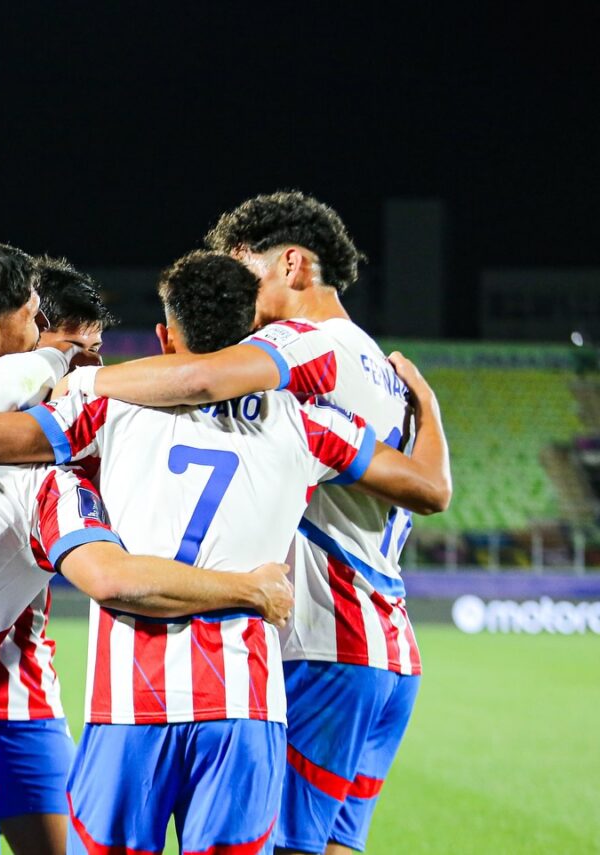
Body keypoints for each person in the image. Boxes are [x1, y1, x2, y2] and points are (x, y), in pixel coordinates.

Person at [0, 249, 449, 855]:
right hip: (242, 703)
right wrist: (427, 407)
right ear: (253, 332)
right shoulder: (311, 423)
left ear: (165, 336)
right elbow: (429, 488)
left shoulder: (104, 405)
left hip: (128, 702)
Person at [67, 193, 432, 854]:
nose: (238, 291)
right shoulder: (384, 368)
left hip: (325, 635)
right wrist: (430, 406)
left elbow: (198, 378)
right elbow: (433, 488)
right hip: (390, 650)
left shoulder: (300, 342)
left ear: (291, 264)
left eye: (245, 270)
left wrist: (84, 385)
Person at [0, 254, 117, 855]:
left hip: (17, 686)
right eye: (70, 351)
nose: (84, 369)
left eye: (95, 352)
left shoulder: (81, 440)